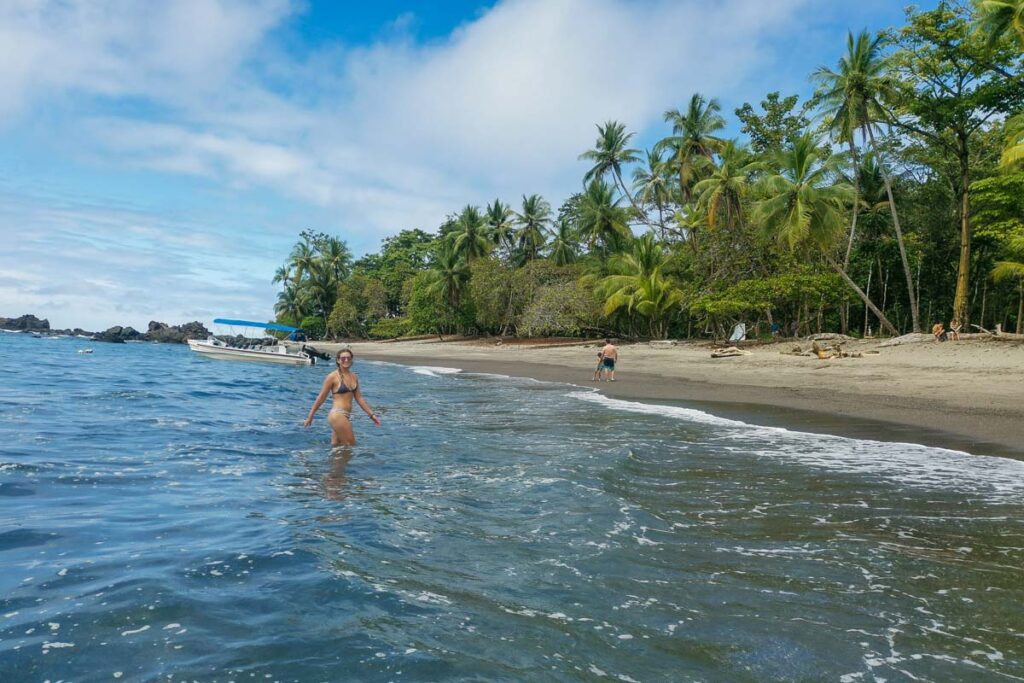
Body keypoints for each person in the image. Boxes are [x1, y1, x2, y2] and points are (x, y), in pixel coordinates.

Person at [304, 348, 381, 446]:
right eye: (343, 358)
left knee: (337, 447)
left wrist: (371, 415)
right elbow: (321, 398)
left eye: (348, 358)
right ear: (338, 360)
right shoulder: (332, 377)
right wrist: (310, 417)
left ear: (352, 359)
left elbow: (359, 398)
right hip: (337, 415)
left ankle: (330, 461)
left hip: (345, 416)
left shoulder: (354, 377)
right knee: (350, 444)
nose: (346, 360)